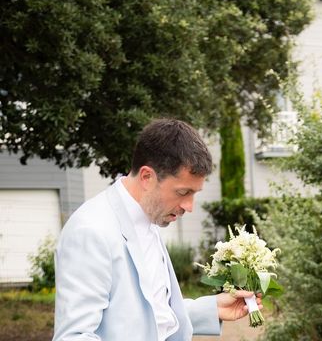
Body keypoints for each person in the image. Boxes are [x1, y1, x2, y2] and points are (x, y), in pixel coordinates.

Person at [54, 118, 261, 340]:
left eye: (194, 194)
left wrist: (213, 308)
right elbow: (74, 336)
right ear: (146, 177)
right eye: (183, 193)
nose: (189, 207)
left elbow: (150, 316)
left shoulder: (148, 218)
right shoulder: (91, 231)